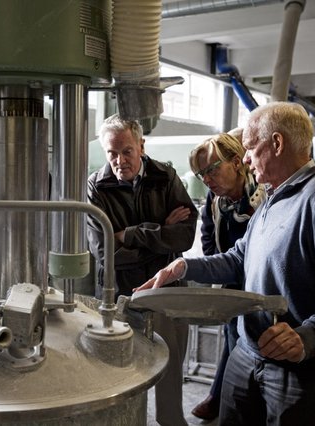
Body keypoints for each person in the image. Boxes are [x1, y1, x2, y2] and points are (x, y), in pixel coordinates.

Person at [135, 101, 315, 425]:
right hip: (247, 352)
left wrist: (309, 336)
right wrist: (184, 267)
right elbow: (239, 258)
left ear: (277, 143)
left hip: (299, 368)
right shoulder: (271, 198)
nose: (245, 158)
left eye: (250, 148)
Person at [86, 113, 197, 426]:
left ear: (141, 146)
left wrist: (129, 234)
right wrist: (161, 231)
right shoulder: (96, 186)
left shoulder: (166, 177)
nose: (119, 161)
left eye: (127, 151)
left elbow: (185, 236)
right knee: (121, 368)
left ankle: (172, 421)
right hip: (122, 292)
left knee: (170, 364)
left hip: (167, 290)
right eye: (112, 153)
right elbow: (106, 254)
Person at [188, 130, 266, 421]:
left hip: (262, 284)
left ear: (236, 162)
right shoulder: (214, 201)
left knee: (250, 345)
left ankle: (234, 402)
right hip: (232, 282)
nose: (207, 180)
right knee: (234, 338)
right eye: (200, 175)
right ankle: (226, 399)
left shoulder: (264, 192)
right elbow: (209, 241)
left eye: (211, 170)